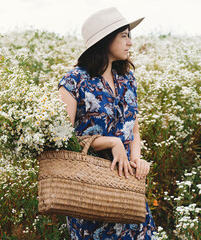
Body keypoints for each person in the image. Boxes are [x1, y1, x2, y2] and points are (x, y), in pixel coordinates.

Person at [58, 7, 158, 239]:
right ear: (104, 40)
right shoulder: (74, 81)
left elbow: (133, 129)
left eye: (128, 35)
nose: (130, 43)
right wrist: (110, 143)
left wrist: (137, 159)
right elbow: (63, 139)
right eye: (123, 35)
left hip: (126, 184)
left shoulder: (127, 78)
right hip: (88, 186)